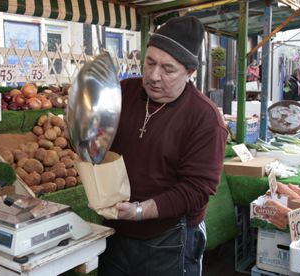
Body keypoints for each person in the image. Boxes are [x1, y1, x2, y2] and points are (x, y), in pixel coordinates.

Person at [97, 16, 228, 276]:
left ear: (190, 73)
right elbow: (97, 138)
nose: (154, 76)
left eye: (168, 69)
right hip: (116, 228)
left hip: (170, 237)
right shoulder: (122, 92)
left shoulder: (205, 119)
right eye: (150, 63)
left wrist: (138, 211)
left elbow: (196, 191)